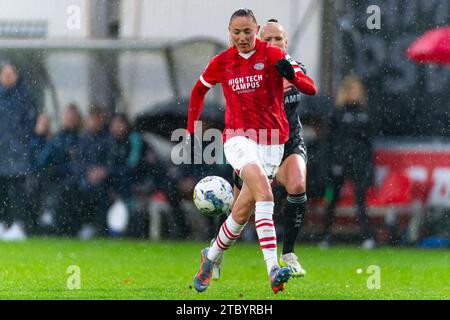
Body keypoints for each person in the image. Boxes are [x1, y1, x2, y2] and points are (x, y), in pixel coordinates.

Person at [187, 8, 317, 294]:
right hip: (238, 139)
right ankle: (273, 268)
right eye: (236, 32)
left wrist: (293, 77)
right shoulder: (222, 62)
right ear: (229, 32)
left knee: (241, 212)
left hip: (273, 142)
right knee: (265, 193)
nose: (242, 37)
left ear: (256, 31)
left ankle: (209, 258)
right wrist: (190, 128)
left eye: (248, 32)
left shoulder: (273, 56)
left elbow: (311, 88)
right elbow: (198, 91)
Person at [212, 18, 310, 280]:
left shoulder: (292, 67)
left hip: (288, 142)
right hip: (255, 141)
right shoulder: (252, 68)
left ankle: (288, 254)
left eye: (278, 39)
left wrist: (289, 75)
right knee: (239, 210)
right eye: (267, 39)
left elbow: (304, 83)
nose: (273, 43)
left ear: (286, 42)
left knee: (298, 185)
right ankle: (214, 254)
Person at [319, 75, 376, 250]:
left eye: (357, 91)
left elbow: (369, 143)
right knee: (332, 198)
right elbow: (329, 140)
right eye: (351, 90)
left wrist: (368, 165)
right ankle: (325, 236)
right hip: (339, 162)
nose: (354, 94)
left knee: (360, 200)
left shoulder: (365, 114)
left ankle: (366, 237)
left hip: (359, 163)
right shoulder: (337, 113)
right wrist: (332, 163)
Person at [0, 62, 38, 240]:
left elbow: (29, 126)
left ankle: (18, 225)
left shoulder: (24, 97)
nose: (7, 77)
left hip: (18, 153)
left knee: (17, 191)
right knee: (3, 189)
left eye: (10, 74)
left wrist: (22, 145)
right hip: (3, 152)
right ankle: (3, 223)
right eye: (4, 74)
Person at [36, 103, 83, 236]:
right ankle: (47, 215)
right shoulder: (56, 138)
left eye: (73, 117)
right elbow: (42, 160)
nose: (70, 119)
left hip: (73, 177)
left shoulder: (81, 138)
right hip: (55, 176)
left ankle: (57, 219)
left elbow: (79, 163)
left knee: (68, 187)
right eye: (68, 116)